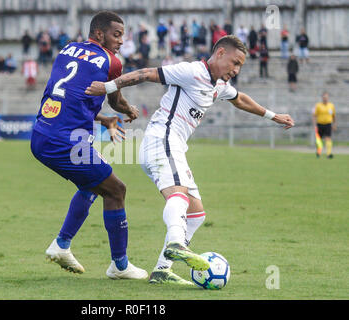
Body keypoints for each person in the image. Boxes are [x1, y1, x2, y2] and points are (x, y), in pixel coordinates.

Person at [86, 35, 295, 285]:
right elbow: (147, 73)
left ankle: (163, 270)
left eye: (240, 66)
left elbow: (240, 99)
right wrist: (108, 87)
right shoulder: (191, 71)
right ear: (219, 54)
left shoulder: (217, 85)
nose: (236, 70)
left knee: (196, 214)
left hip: (172, 147)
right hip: (161, 140)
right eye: (234, 62)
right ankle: (176, 241)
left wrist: (273, 116)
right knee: (179, 196)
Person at [30, 11, 148, 280]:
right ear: (99, 34)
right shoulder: (111, 61)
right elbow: (117, 101)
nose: (120, 41)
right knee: (116, 190)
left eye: (123, 35)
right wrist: (129, 109)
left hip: (42, 134)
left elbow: (65, 95)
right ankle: (120, 266)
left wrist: (104, 119)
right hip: (66, 142)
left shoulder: (67, 50)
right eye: (116, 35)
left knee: (92, 184)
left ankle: (61, 245)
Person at [313, 92, 336, 159]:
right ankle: (318, 152)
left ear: (328, 98)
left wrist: (334, 124)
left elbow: (334, 116)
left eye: (326, 97)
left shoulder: (331, 105)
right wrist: (315, 125)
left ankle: (329, 154)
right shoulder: (318, 105)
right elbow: (314, 116)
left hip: (328, 124)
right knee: (319, 140)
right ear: (322, 98)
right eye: (324, 97)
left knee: (328, 138)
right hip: (319, 124)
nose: (325, 98)